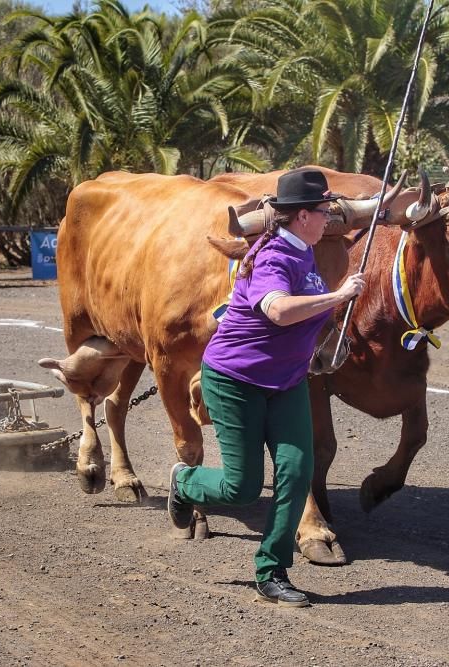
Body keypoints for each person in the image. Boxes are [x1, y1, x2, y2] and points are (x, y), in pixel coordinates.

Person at [167, 167, 365, 608]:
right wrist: (337, 297)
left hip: (286, 383)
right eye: (323, 210)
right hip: (236, 382)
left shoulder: (306, 250)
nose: (331, 216)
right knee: (242, 488)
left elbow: (298, 317)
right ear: (301, 217)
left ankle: (271, 570)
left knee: (296, 474)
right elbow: (277, 310)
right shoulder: (274, 256)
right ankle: (185, 484)